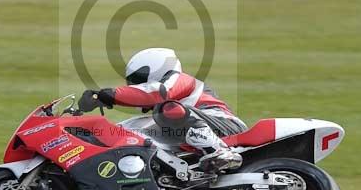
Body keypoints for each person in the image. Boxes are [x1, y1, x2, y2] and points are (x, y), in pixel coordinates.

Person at [79, 48, 247, 172]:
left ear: (158, 68)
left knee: (167, 110)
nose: (137, 83)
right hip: (199, 129)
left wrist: (109, 95)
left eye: (140, 77)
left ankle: (219, 151)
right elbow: (143, 97)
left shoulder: (181, 80)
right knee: (129, 128)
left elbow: (157, 93)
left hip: (226, 126)